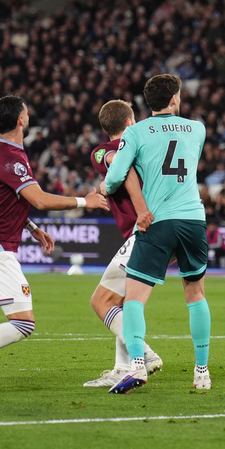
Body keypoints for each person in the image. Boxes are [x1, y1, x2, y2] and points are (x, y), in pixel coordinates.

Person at [0, 95, 108, 397]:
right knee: (23, 324)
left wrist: (33, 227)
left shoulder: (2, 152)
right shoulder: (10, 159)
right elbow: (38, 199)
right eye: (26, 113)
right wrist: (85, 201)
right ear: (20, 121)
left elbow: (4, 202)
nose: (29, 116)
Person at [101, 74, 210, 394]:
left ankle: (137, 364)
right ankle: (201, 372)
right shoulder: (197, 128)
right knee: (196, 295)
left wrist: (105, 188)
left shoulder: (135, 132)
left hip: (156, 221)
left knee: (134, 299)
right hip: (193, 219)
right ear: (175, 98)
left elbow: (115, 177)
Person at [83, 99, 163, 388]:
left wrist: (107, 185)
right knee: (124, 301)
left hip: (143, 233)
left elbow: (116, 164)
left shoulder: (103, 151)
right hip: (162, 228)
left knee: (100, 301)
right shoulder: (145, 146)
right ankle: (121, 368)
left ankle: (145, 355)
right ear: (130, 122)